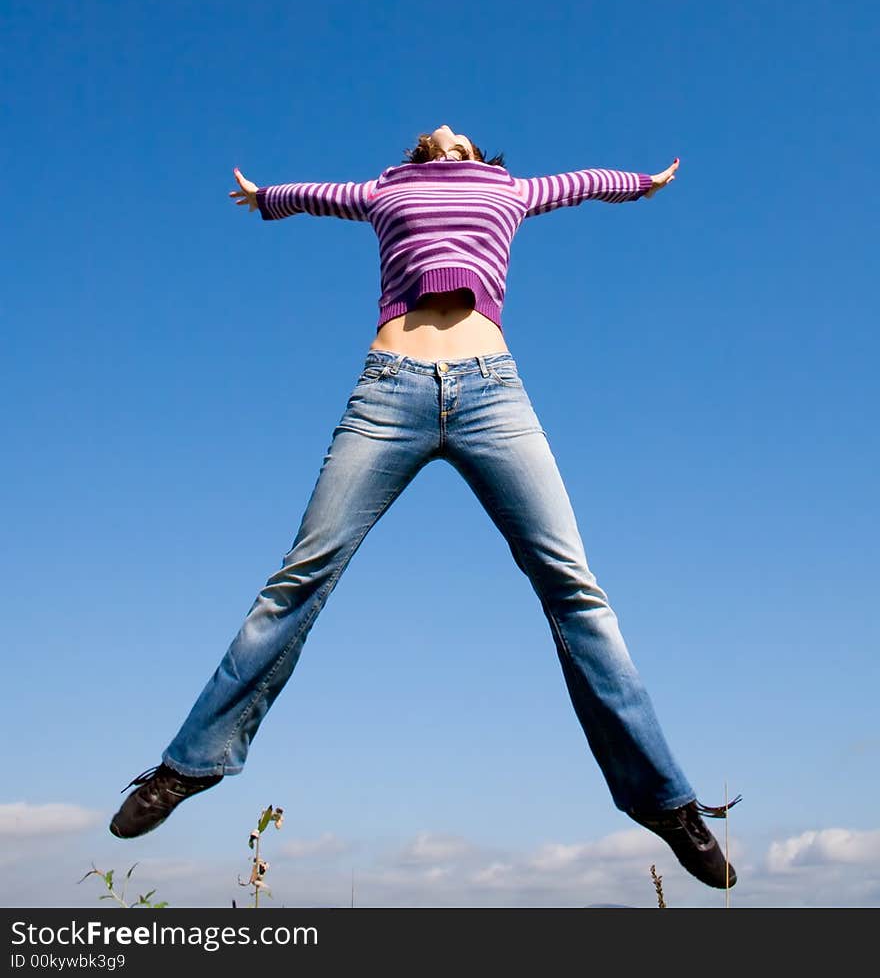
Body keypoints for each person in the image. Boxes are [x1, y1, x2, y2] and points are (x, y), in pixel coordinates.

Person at [110, 125, 739, 889]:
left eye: (459, 132)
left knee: (574, 587)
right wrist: (263, 197)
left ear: (479, 154)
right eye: (428, 134)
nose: (443, 129)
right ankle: (189, 765)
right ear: (417, 155)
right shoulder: (385, 190)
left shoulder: (509, 189)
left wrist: (644, 180)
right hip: (389, 392)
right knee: (299, 576)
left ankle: (665, 802)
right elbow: (317, 197)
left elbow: (582, 183)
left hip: (492, 394)